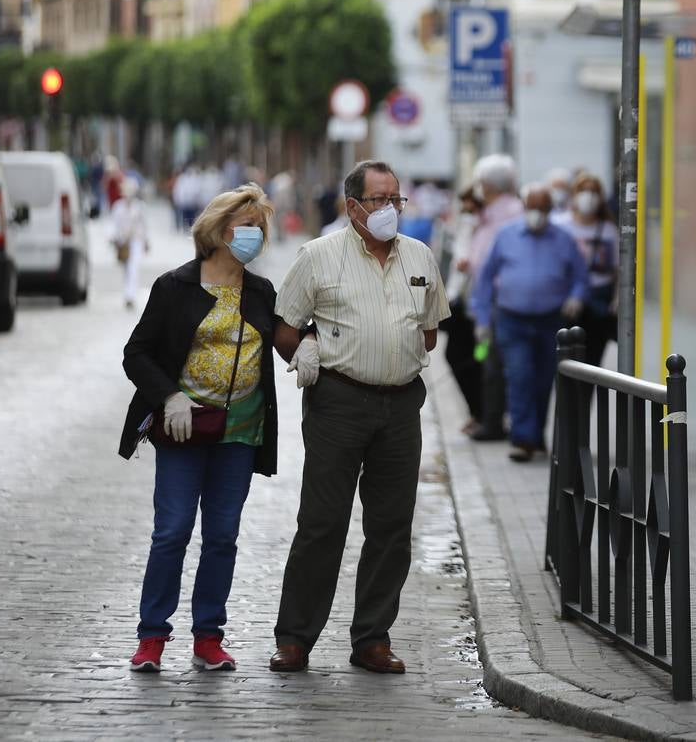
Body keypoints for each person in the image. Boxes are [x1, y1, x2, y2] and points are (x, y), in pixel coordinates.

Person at [268, 160, 449, 675]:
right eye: (380, 200)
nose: (391, 209)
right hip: (338, 402)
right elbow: (283, 325)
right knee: (322, 522)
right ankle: (296, 637)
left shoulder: (419, 256)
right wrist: (302, 347)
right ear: (352, 207)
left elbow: (432, 330)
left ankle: (372, 637)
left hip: (400, 405)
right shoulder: (318, 256)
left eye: (398, 199)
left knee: (392, 526)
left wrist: (396, 345)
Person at [118, 183, 279, 673]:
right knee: (172, 531)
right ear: (218, 230)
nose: (253, 234)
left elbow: (289, 337)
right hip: (184, 428)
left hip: (240, 431)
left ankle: (209, 636)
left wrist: (309, 349)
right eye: (245, 226)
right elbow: (136, 353)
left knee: (223, 536)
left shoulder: (261, 291)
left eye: (259, 227)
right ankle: (151, 637)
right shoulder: (175, 287)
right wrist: (170, 396)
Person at [471, 183, 587, 462]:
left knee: (544, 380)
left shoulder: (563, 239)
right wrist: (482, 319)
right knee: (519, 375)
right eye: (532, 209)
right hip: (512, 319)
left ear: (550, 210)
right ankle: (523, 439)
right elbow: (485, 279)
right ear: (525, 208)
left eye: (542, 210)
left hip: (550, 321)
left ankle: (536, 435)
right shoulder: (506, 236)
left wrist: (576, 296)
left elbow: (580, 277)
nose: (537, 214)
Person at [463, 154, 524, 441]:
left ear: (489, 184)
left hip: (501, 301)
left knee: (495, 365)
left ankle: (496, 422)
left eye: (480, 182)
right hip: (487, 300)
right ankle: (491, 418)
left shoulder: (509, 213)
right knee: (487, 362)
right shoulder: (489, 212)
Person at [552, 172, 618, 367]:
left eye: (593, 191)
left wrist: (616, 298)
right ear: (574, 194)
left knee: (592, 359)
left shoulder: (608, 229)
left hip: (599, 300)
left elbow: (617, 269)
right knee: (564, 357)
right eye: (583, 190)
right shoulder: (560, 225)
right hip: (566, 299)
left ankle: (584, 397)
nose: (588, 196)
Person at [439, 184, 485, 431]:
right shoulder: (463, 230)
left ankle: (483, 412)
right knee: (457, 356)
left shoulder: (489, 231)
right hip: (461, 306)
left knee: (480, 358)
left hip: (482, 313)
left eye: (473, 207)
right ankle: (477, 411)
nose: (468, 212)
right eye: (464, 206)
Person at [110, 178, 150, 308]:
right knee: (126, 269)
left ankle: (130, 296)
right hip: (123, 243)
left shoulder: (140, 207)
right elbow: (114, 225)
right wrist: (114, 239)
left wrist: (146, 241)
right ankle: (127, 293)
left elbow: (144, 226)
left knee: (134, 268)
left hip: (136, 241)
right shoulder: (118, 207)